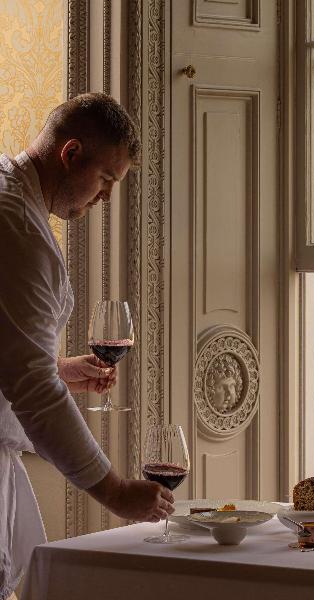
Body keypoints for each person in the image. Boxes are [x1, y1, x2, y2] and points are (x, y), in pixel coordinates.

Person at [0, 93, 174, 599]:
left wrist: (57, 368)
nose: (106, 198)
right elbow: (34, 391)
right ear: (71, 153)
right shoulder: (18, 231)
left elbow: (15, 359)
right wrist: (115, 491)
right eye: (105, 180)